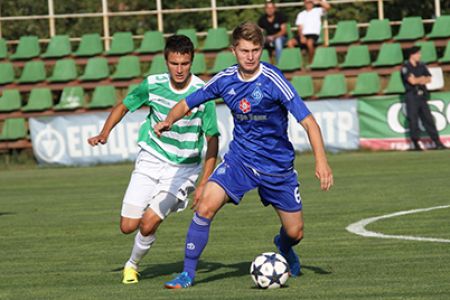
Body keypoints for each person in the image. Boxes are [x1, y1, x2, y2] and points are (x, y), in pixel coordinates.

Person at [154, 22, 333, 289]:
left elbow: (309, 122)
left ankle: (283, 245)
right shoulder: (225, 80)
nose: (250, 56)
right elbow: (187, 102)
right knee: (205, 207)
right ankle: (187, 275)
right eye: (244, 50)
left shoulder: (273, 80)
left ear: (262, 50)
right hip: (241, 161)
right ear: (234, 50)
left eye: (256, 50)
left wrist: (321, 161)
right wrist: (168, 120)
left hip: (277, 167)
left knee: (295, 233)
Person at [87, 35, 220, 284]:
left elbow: (213, 139)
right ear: (166, 61)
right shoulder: (152, 84)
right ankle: (134, 252)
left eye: (185, 63)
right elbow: (124, 106)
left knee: (148, 224)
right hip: (151, 158)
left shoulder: (203, 93)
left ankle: (132, 265)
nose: (179, 69)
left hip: (184, 169)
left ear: (192, 61)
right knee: (128, 226)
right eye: (174, 63)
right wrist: (105, 132)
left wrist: (204, 181)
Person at [401, 46, 446, 151]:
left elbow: (429, 79)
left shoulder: (422, 65)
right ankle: (416, 143)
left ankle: (437, 142)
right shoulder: (406, 67)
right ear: (412, 55)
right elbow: (412, 82)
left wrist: (419, 79)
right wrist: (421, 79)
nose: (419, 55)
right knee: (413, 119)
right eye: (418, 53)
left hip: (422, 95)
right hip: (412, 95)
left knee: (428, 119)